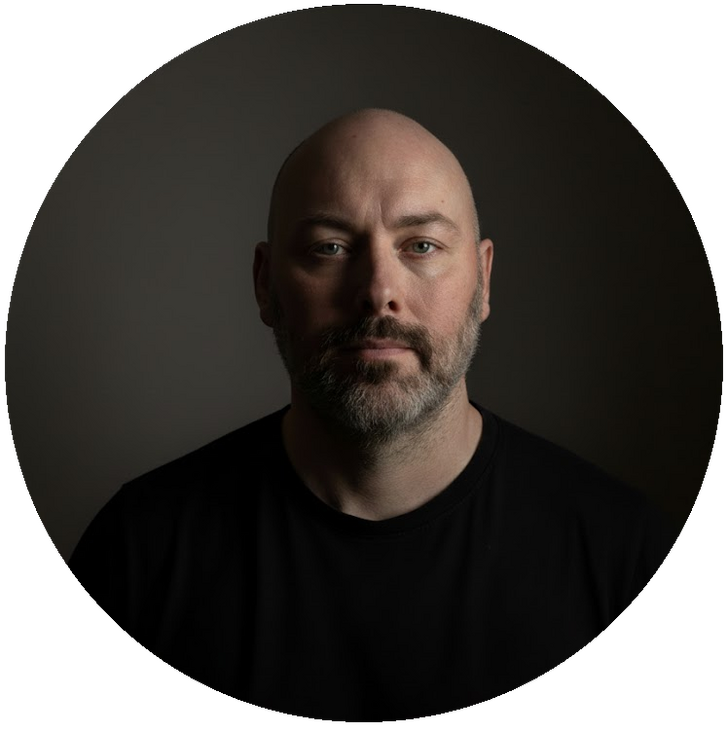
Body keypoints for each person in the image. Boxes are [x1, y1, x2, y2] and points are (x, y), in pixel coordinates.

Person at [67, 108, 679, 723]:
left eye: (421, 246)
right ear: (264, 285)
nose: (378, 291)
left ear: (484, 280)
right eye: (329, 248)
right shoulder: (137, 557)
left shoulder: (623, 559)